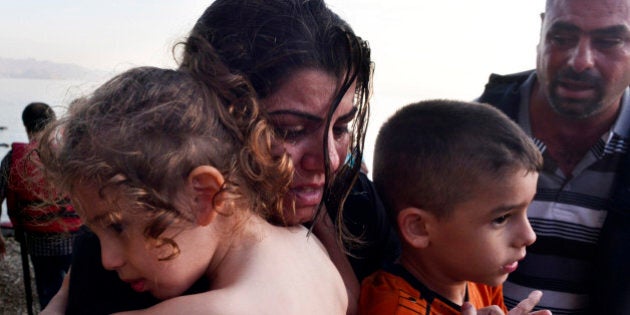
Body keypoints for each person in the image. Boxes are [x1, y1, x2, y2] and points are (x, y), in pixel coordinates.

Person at [47, 1, 399, 314]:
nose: (331, 161)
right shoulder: (137, 249)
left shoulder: (358, 207)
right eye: (289, 130)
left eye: (341, 128)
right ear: (213, 119)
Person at [39, 65, 350, 314]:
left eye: (118, 227)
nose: (108, 260)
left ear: (203, 195)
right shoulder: (309, 246)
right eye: (95, 232)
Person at [477, 0, 630, 313]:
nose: (580, 61)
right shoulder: (465, 137)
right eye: (562, 37)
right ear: (542, 29)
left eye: (608, 41)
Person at [357, 100, 548, 315]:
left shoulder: (479, 280)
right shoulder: (394, 308)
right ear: (419, 228)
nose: (529, 236)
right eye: (501, 218)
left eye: (526, 210)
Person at [0, 102, 82, 309]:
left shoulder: (12, 160)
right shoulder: (71, 157)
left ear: (26, 127)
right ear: (54, 125)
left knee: (49, 290)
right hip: (75, 239)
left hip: (36, 241)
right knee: (79, 289)